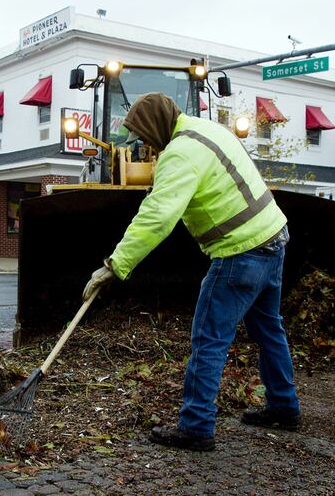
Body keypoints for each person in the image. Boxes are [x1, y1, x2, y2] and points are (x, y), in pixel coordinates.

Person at [82, 93, 300, 452]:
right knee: (268, 329)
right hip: (274, 238)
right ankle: (283, 406)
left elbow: (158, 216)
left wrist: (114, 267)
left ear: (155, 126)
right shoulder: (208, 129)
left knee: (209, 338)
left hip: (240, 252)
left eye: (145, 136)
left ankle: (196, 425)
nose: (146, 146)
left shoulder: (180, 154)